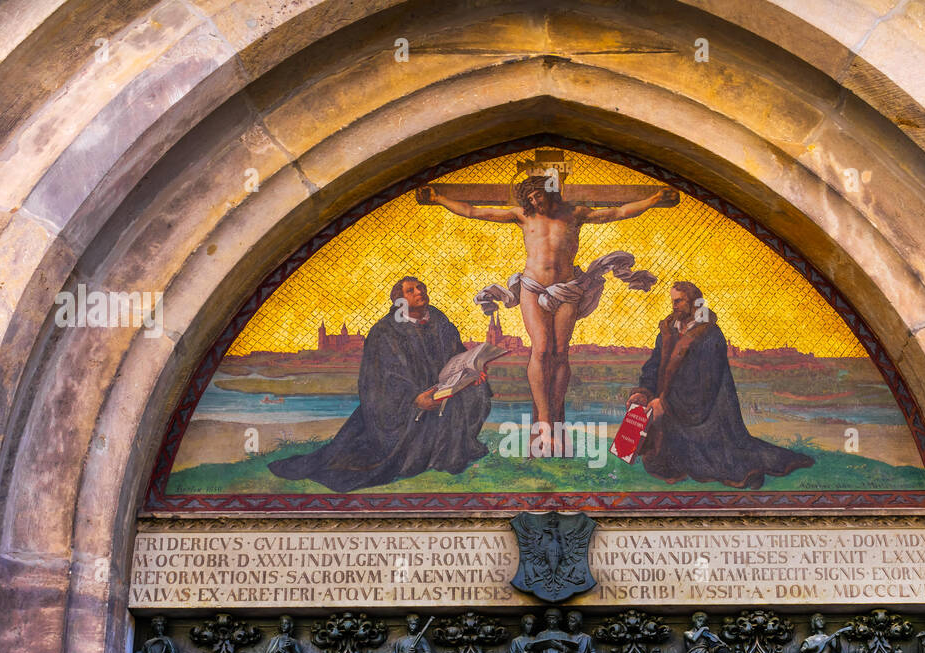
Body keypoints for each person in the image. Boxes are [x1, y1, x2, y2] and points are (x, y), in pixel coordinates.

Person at [424, 176, 673, 438]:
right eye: (529, 198)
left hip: (567, 288)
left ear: (550, 192)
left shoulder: (575, 214)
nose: (534, 201)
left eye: (537, 195)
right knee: (541, 349)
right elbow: (473, 211)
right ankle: (543, 418)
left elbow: (619, 212)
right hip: (532, 287)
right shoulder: (522, 216)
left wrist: (655, 199)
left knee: (560, 351)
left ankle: (555, 414)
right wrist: (438, 198)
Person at [268, 276, 490, 491]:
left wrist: (472, 371)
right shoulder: (385, 331)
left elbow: (456, 353)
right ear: (399, 301)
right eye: (411, 290)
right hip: (402, 403)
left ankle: (452, 450)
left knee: (478, 390)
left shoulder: (439, 320)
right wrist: (415, 398)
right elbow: (382, 378)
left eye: (420, 287)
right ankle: (422, 456)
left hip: (441, 388)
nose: (419, 292)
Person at [626, 282, 814, 487]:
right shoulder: (668, 331)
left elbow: (706, 383)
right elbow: (654, 365)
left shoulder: (710, 335)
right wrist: (643, 393)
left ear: (693, 302)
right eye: (673, 301)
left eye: (679, 301)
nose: (674, 306)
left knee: (721, 464)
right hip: (672, 410)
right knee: (657, 462)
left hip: (708, 414)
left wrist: (666, 403)